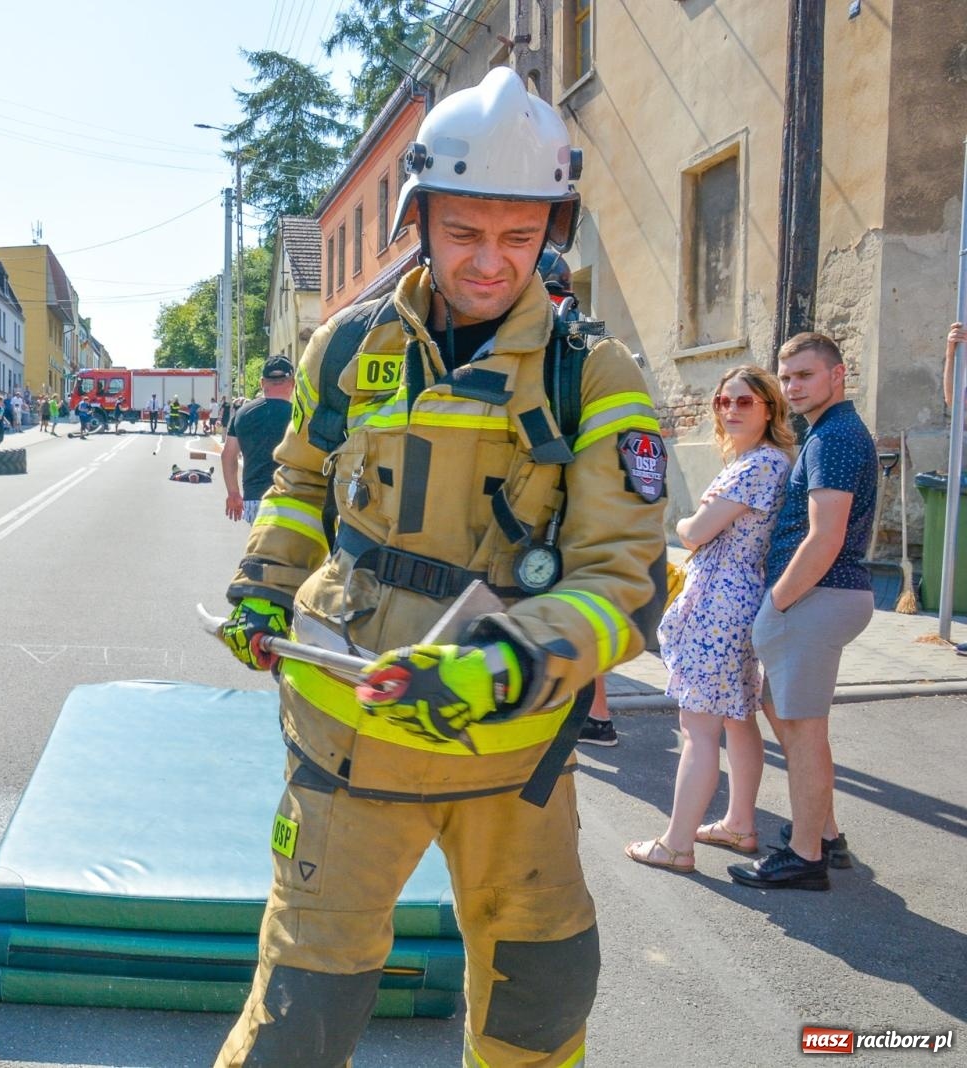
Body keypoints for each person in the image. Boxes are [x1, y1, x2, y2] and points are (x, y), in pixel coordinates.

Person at [213, 68, 666, 1067]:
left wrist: (498, 664)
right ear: (419, 221)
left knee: (536, 1009)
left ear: (553, 228)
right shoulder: (343, 350)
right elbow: (296, 485)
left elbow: (624, 577)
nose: (492, 262)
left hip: (515, 756)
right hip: (345, 735)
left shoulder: (594, 375)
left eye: (519, 237)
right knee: (300, 1015)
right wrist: (262, 584)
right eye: (464, 233)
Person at [625, 367, 794, 874]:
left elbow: (696, 532)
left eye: (745, 402)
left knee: (698, 728)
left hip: (722, 601)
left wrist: (683, 521)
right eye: (725, 401)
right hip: (737, 598)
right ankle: (739, 822)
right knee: (737, 718)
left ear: (769, 409)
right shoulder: (766, 461)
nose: (731, 410)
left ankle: (677, 845)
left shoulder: (756, 465)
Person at [730, 332, 877, 892]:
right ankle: (827, 832)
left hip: (815, 596)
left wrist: (776, 603)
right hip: (823, 596)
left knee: (804, 730)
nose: (792, 387)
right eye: (787, 377)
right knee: (781, 712)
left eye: (804, 376)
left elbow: (825, 537)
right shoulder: (827, 433)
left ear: (837, 376)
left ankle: (805, 857)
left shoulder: (835, 438)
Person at [221, 356, 295, 523]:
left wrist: (233, 493)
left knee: (260, 548)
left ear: (262, 383)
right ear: (292, 383)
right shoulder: (299, 416)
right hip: (292, 498)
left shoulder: (242, 414)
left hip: (254, 499)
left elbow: (228, 455)